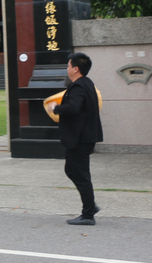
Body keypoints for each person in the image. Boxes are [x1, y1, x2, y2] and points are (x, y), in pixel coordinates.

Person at [46, 52, 104, 226]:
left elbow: (73, 107)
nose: (67, 68)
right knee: (72, 171)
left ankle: (88, 214)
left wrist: (56, 108)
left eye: (68, 65)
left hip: (80, 138)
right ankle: (90, 206)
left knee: (81, 175)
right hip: (81, 137)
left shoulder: (78, 86)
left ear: (76, 69)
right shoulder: (87, 83)